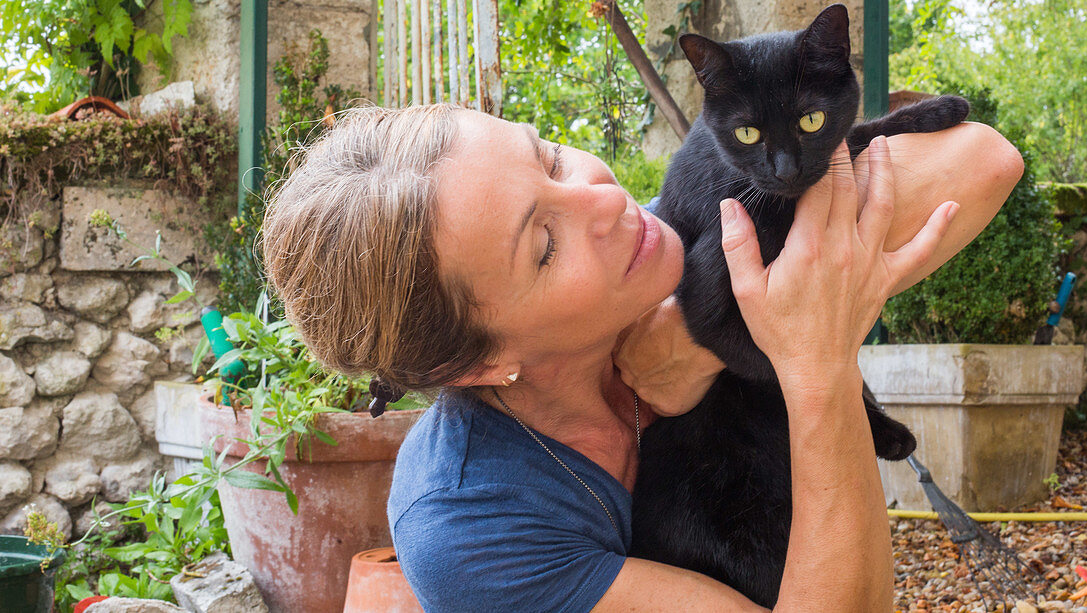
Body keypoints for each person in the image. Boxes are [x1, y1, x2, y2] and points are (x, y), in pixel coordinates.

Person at [261, 103, 1023, 612]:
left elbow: (979, 160)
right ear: (482, 365)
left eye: (550, 156)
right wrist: (812, 358)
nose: (604, 199)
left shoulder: (652, 258)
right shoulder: (472, 523)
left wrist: (701, 335)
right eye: (545, 246)